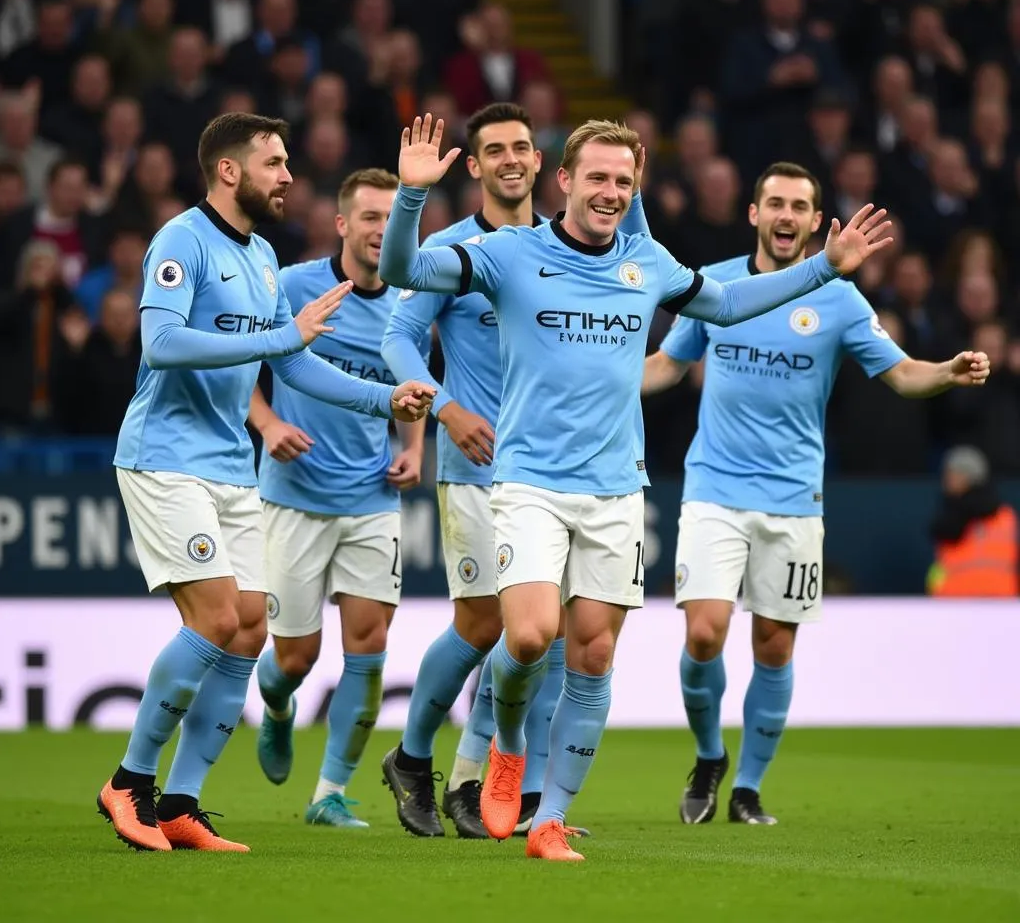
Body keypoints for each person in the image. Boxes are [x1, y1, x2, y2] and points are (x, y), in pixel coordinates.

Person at [379, 114, 892, 862]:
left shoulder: (647, 262)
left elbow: (724, 303)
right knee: (525, 635)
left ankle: (548, 819)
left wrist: (826, 268)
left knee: (590, 658)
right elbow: (401, 274)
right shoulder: (506, 253)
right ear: (566, 181)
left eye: (624, 180)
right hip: (527, 484)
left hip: (618, 493)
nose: (610, 191)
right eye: (597, 177)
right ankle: (509, 744)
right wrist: (410, 198)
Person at [99, 113, 434, 854]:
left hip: (225, 466)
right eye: (275, 163)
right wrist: (282, 336)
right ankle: (129, 782)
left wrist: (386, 400)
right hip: (165, 456)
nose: (288, 176)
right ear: (229, 170)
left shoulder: (260, 257)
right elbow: (159, 342)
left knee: (252, 626)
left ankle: (183, 802)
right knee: (216, 619)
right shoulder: (182, 239)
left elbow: (297, 365)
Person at [641, 161, 990, 827]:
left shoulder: (840, 299)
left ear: (813, 220)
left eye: (799, 206)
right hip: (714, 486)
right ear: (753, 213)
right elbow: (667, 364)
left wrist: (946, 370)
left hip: (794, 498)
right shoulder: (715, 286)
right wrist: (594, 383)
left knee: (774, 645)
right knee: (706, 632)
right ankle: (710, 755)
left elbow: (903, 375)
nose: (785, 215)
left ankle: (747, 788)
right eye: (774, 202)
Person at [380, 103, 600, 840]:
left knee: (553, 638)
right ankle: (414, 759)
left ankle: (514, 791)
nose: (510, 159)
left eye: (521, 147)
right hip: (478, 468)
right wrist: (445, 411)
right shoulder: (448, 250)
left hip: (559, 472)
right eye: (494, 150)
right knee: (483, 624)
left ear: (541, 163)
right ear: (472, 166)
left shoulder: (571, 248)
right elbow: (400, 340)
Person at [251, 168, 428, 828]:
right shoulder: (294, 286)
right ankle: (276, 706)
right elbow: (239, 367)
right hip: (294, 497)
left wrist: (413, 447)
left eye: (393, 218)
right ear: (343, 224)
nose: (383, 230)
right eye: (371, 217)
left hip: (372, 499)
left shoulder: (410, 302)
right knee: (295, 658)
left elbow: (412, 387)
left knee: (369, 643)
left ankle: (328, 793)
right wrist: (268, 426)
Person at [928, 446, 1017, 597]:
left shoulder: (1005, 517)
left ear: (967, 477)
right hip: (997, 602)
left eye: (952, 474)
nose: (947, 480)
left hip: (979, 604)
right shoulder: (1007, 516)